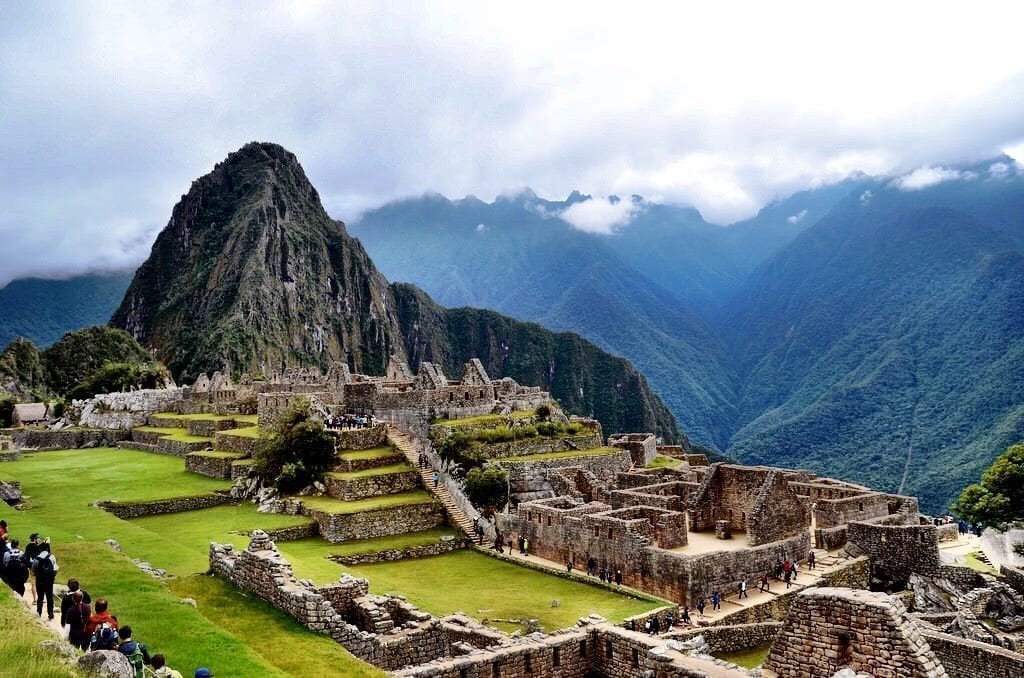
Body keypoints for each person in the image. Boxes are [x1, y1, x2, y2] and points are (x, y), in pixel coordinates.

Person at [33, 542, 59, 619]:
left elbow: (34, 568)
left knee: (40, 597)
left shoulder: (37, 558)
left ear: (40, 549)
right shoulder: (52, 556)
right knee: (49, 596)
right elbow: (55, 567)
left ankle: (39, 612)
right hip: (49, 579)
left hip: (40, 579)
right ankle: (50, 613)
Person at [24, 533, 43, 602]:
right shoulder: (37, 547)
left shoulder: (28, 546)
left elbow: (26, 557)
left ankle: (35, 599)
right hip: (38, 568)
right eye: (38, 538)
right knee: (39, 583)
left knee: (33, 584)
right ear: (35, 539)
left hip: (31, 568)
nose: (39, 539)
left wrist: (28, 566)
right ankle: (40, 599)